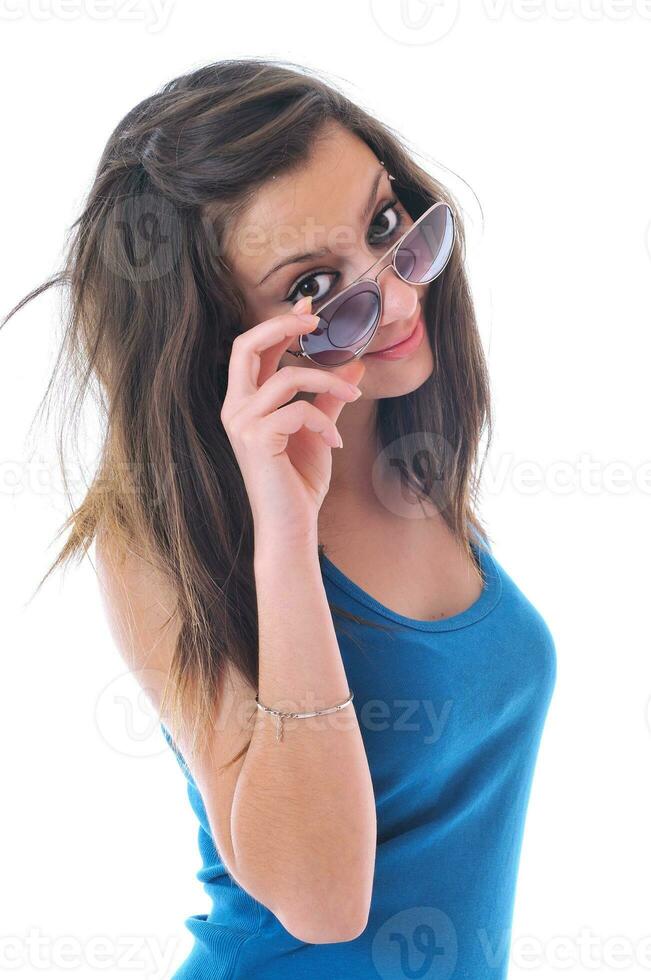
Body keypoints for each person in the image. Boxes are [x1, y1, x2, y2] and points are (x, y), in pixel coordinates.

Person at [3, 58, 557, 978]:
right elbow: (323, 902)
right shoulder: (156, 533)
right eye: (311, 287)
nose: (395, 292)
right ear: (222, 337)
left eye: (385, 224)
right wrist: (284, 530)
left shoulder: (410, 449)